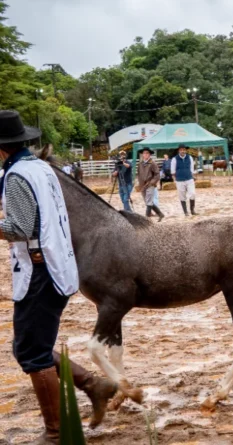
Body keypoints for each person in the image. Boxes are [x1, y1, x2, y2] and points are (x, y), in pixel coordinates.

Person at [0, 110, 117, 443]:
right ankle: (94, 385)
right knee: (30, 346)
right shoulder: (40, 168)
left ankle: (57, 432)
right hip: (55, 264)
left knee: (32, 352)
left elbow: (21, 228)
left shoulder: (18, 175)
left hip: (40, 270)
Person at [137, 147, 164, 221]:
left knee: (149, 201)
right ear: (142, 154)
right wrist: (140, 184)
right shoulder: (140, 164)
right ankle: (160, 214)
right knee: (148, 202)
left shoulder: (153, 163)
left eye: (147, 153)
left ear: (149, 154)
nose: (145, 154)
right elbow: (139, 174)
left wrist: (152, 182)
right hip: (142, 185)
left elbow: (157, 175)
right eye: (144, 153)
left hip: (150, 184)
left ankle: (146, 218)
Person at [171, 144, 198, 217]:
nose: (182, 151)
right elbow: (173, 171)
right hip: (179, 180)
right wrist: (174, 180)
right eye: (181, 150)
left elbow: (191, 169)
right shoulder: (174, 159)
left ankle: (192, 210)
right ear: (179, 150)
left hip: (189, 178)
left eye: (184, 149)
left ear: (185, 150)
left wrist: (193, 176)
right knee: (182, 196)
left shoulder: (190, 158)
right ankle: (185, 212)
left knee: (192, 194)